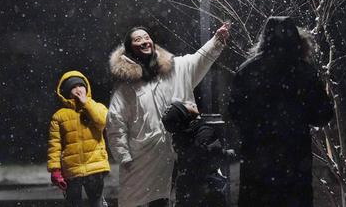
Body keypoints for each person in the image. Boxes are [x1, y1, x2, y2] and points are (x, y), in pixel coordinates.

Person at [106, 23, 230, 207]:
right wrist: (123, 156)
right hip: (147, 156)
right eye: (137, 39)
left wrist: (217, 41)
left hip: (184, 147)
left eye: (146, 37)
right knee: (154, 201)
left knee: (187, 196)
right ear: (129, 48)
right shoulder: (126, 90)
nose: (144, 41)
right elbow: (115, 126)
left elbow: (199, 59)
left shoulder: (175, 68)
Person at [228, 16, 334, 207]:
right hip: (294, 166)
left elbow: (235, 113)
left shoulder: (247, 70)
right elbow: (323, 114)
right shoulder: (304, 72)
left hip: (256, 165)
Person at [47, 70, 110, 207]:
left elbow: (102, 122)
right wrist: (55, 170)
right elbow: (54, 145)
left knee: (97, 201)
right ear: (66, 93)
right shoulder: (59, 116)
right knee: (73, 203)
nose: (78, 90)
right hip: (71, 169)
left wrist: (86, 104)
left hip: (95, 166)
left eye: (81, 86)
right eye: (73, 87)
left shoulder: (96, 107)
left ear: (86, 88)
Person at [161, 100, 235, 207]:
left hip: (187, 188)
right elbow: (213, 157)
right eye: (185, 105)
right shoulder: (204, 132)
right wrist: (228, 154)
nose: (189, 103)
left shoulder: (179, 137)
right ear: (186, 115)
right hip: (205, 189)